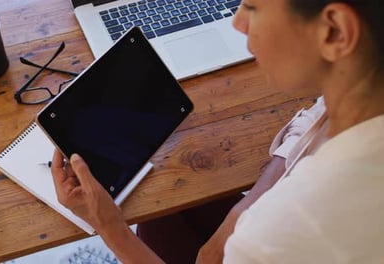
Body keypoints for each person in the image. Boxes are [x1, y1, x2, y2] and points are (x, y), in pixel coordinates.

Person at [50, 0, 384, 263]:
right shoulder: (365, 83)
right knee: (163, 219)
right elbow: (319, 116)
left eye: (252, 6)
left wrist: (110, 229)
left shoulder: (286, 231)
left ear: (335, 32)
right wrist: (241, 212)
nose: (237, 22)